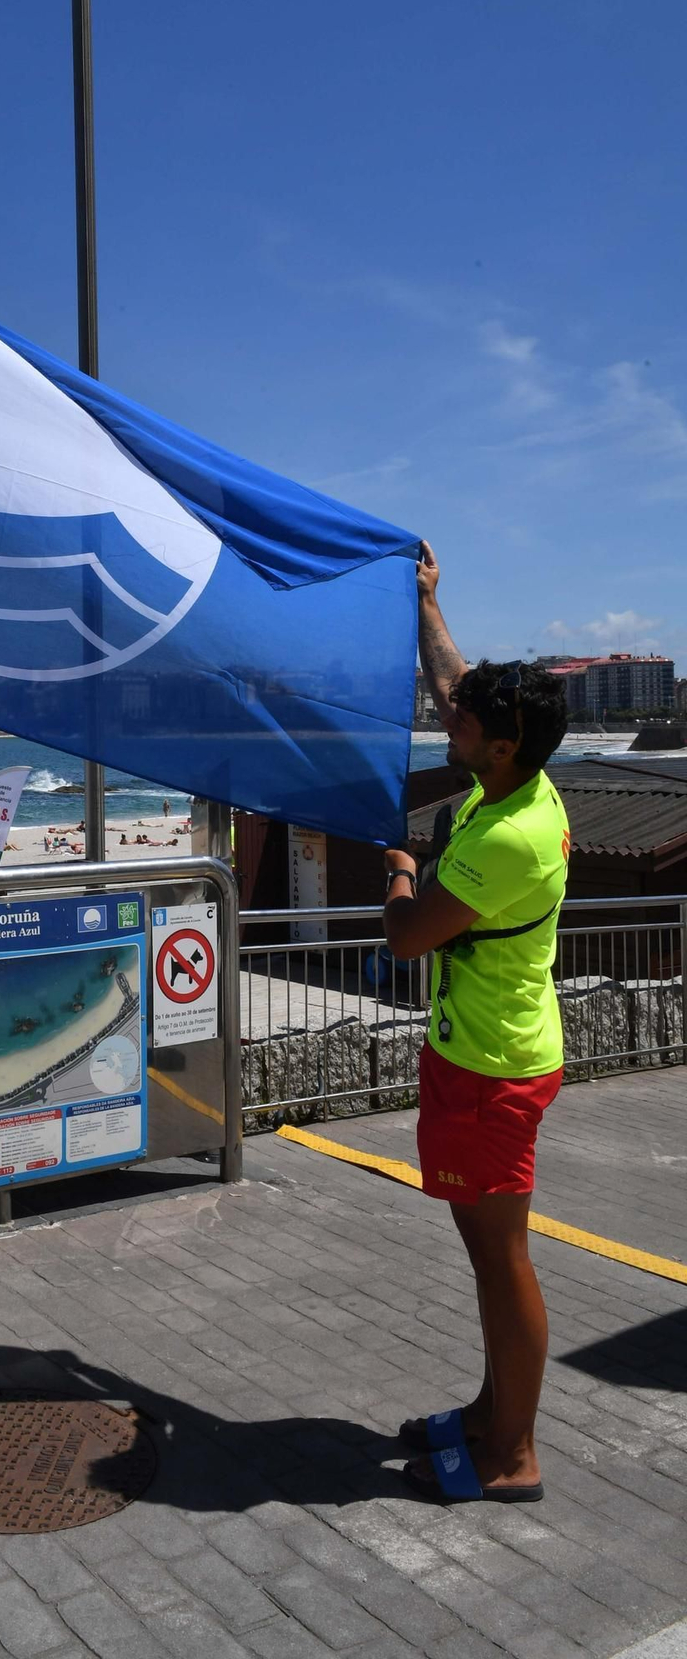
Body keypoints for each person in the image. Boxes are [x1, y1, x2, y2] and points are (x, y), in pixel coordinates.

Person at [382, 542, 570, 1505]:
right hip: (481, 1056)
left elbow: (408, 938)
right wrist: (426, 602)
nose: (444, 717)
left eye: (462, 721)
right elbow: (457, 682)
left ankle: (515, 1455)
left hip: (494, 1068)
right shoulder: (512, 777)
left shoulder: (504, 836)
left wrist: (398, 860)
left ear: (499, 745)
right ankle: (494, 1414)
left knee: (500, 1264)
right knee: (488, 1258)